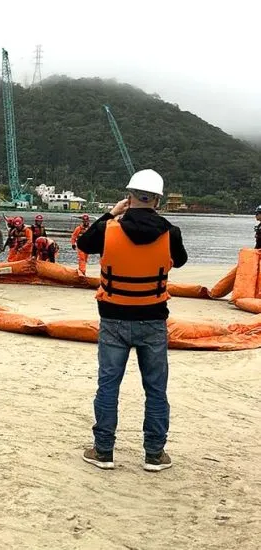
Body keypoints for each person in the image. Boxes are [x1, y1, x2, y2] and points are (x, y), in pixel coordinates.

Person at [76, 169, 187, 473]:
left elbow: (84, 244)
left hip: (114, 317)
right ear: (158, 199)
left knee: (108, 385)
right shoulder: (170, 232)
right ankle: (154, 454)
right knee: (155, 388)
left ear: (130, 196)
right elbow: (181, 260)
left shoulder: (109, 229)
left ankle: (103, 452)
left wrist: (110, 214)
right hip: (153, 320)